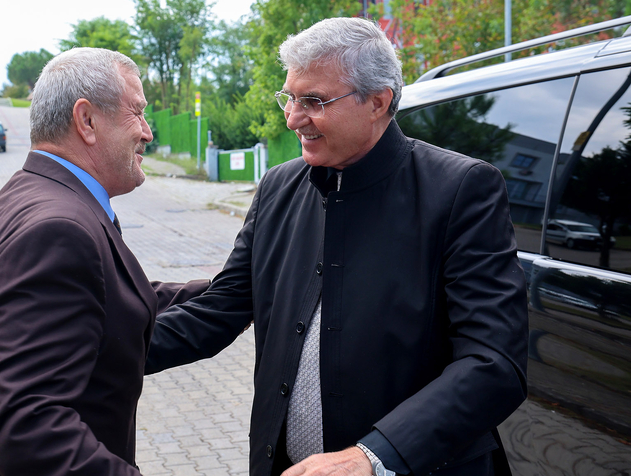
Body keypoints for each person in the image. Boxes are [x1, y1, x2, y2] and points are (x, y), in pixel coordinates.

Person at [146, 17, 528, 476]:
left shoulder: (461, 189)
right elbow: (219, 308)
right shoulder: (278, 187)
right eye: (290, 97)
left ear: (378, 102)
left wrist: (373, 457)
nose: (293, 117)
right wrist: (90, 356)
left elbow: (493, 363)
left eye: (314, 101)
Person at [0, 47, 208, 476]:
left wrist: (234, 291)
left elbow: (111, 302)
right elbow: (25, 426)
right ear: (86, 120)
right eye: (137, 113)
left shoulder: (28, 196)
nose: (148, 132)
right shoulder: (59, 230)